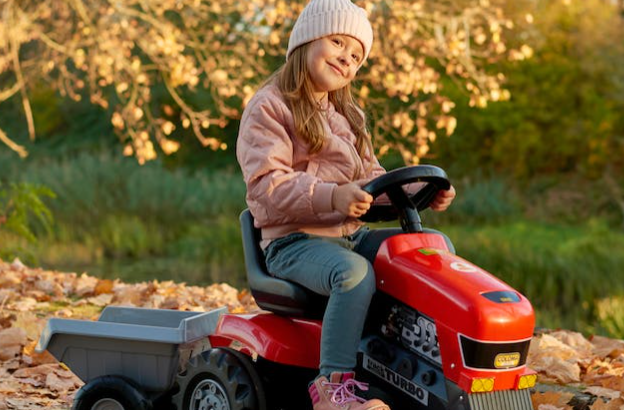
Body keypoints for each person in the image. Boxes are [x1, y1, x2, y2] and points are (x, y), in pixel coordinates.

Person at [236, 0, 456, 409]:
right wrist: (334, 197)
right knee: (354, 273)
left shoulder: (348, 115)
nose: (346, 58)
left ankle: (429, 368)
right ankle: (332, 389)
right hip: (292, 244)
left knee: (431, 250)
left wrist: (419, 193)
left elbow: (373, 178)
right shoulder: (269, 107)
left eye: (356, 56)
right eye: (337, 42)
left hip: (349, 236)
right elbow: (268, 187)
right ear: (305, 41)